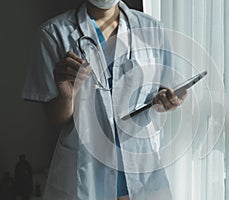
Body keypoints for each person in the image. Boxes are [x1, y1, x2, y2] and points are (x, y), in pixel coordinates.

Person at [22, 0, 186, 199]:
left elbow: (169, 89)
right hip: (86, 170)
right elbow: (55, 118)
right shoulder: (53, 33)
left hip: (141, 166)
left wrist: (169, 101)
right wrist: (67, 95)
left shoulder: (151, 28)